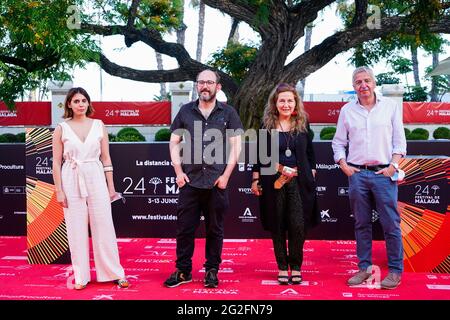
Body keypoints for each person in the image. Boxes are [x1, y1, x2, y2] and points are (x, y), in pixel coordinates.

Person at [164, 69, 243, 288]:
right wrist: (178, 172)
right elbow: (173, 143)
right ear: (196, 86)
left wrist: (226, 175)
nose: (205, 86)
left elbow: (236, 147)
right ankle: (183, 271)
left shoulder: (228, 113)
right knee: (185, 229)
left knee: (214, 230)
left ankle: (212, 270)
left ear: (218, 86)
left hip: (217, 182)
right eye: (201, 82)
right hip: (190, 181)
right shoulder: (185, 111)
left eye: (209, 82)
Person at [332, 67, 407, 289]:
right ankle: (364, 268)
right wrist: (343, 165)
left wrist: (393, 166)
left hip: (384, 174)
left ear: (374, 83)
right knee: (361, 223)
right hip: (357, 174)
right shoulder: (347, 111)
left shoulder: (390, 108)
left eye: (366, 81)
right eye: (358, 82)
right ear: (353, 86)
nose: (363, 85)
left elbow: (399, 141)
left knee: (391, 224)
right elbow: (338, 142)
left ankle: (395, 271)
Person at [52, 87, 129, 290]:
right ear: (69, 104)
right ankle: (81, 276)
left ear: (88, 103)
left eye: (84, 100)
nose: (80, 104)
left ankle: (115, 272)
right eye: (76, 101)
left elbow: (106, 158)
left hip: (95, 175)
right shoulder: (61, 128)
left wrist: (111, 187)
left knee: (104, 225)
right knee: (75, 228)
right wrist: (59, 190)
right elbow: (56, 162)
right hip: (71, 176)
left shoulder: (99, 125)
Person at [251, 83, 320, 285]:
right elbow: (260, 156)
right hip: (274, 181)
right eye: (282, 100)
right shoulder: (266, 125)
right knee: (278, 224)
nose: (286, 104)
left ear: (295, 102)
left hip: (299, 182)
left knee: (298, 226)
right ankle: (282, 267)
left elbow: (310, 153)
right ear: (275, 103)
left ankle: (296, 266)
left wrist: (311, 172)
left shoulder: (303, 123)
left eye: (290, 100)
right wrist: (256, 179)